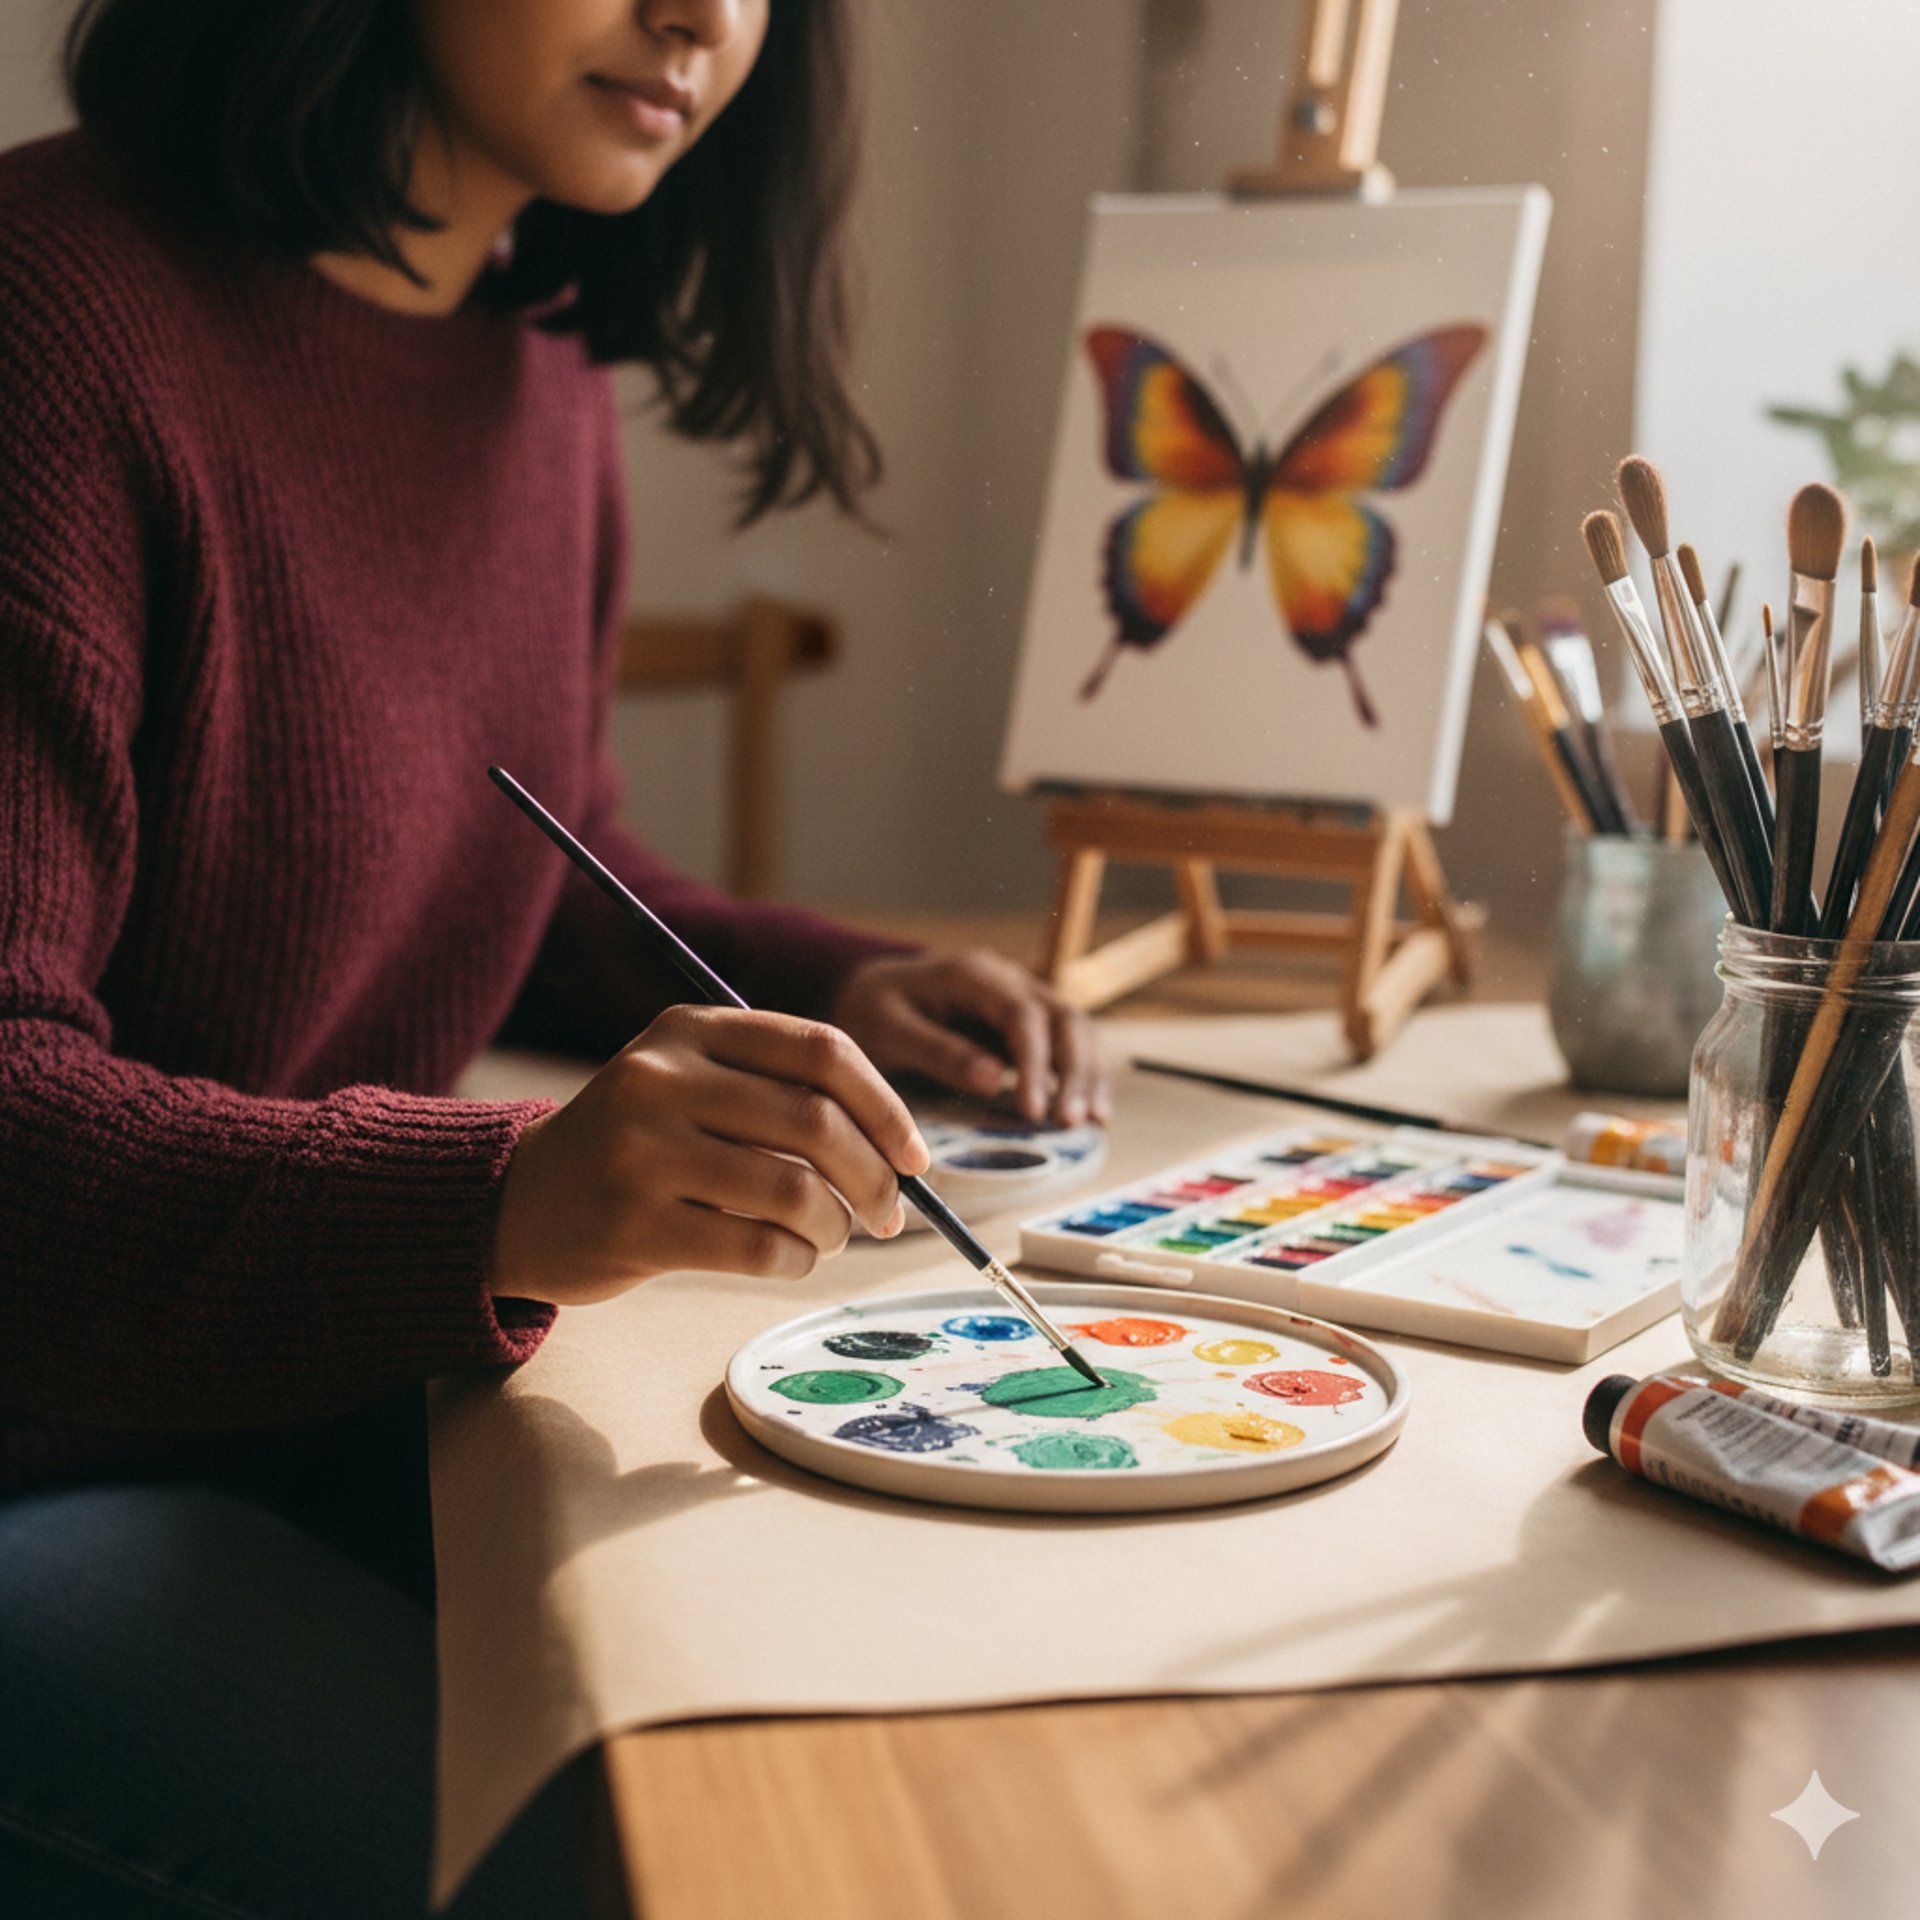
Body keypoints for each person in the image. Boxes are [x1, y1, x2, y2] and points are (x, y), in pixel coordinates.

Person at [0, 1, 1107, 1911]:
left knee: (919, 1727)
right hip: (49, 1464)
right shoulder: (48, 318)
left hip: (312, 1396)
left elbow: (517, 838)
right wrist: (502, 1202)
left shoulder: (530, 359)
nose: (704, 18)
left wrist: (823, 978)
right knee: (667, 1868)